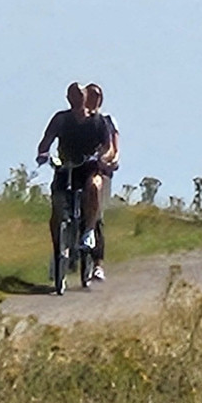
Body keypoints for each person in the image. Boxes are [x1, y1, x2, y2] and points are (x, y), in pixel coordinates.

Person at [35, 82, 111, 265]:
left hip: (88, 166)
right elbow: (46, 141)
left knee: (93, 187)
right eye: (73, 96)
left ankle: (89, 232)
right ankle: (58, 250)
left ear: (85, 98)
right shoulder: (61, 119)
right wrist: (43, 154)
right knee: (58, 208)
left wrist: (103, 158)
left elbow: (108, 146)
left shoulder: (98, 121)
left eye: (80, 96)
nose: (76, 99)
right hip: (66, 167)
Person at [84, 83, 120, 281]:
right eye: (90, 96)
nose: (93, 100)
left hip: (100, 169)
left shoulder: (105, 121)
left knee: (96, 214)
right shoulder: (79, 120)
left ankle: (98, 264)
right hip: (80, 167)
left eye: (96, 97)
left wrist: (110, 159)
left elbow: (113, 146)